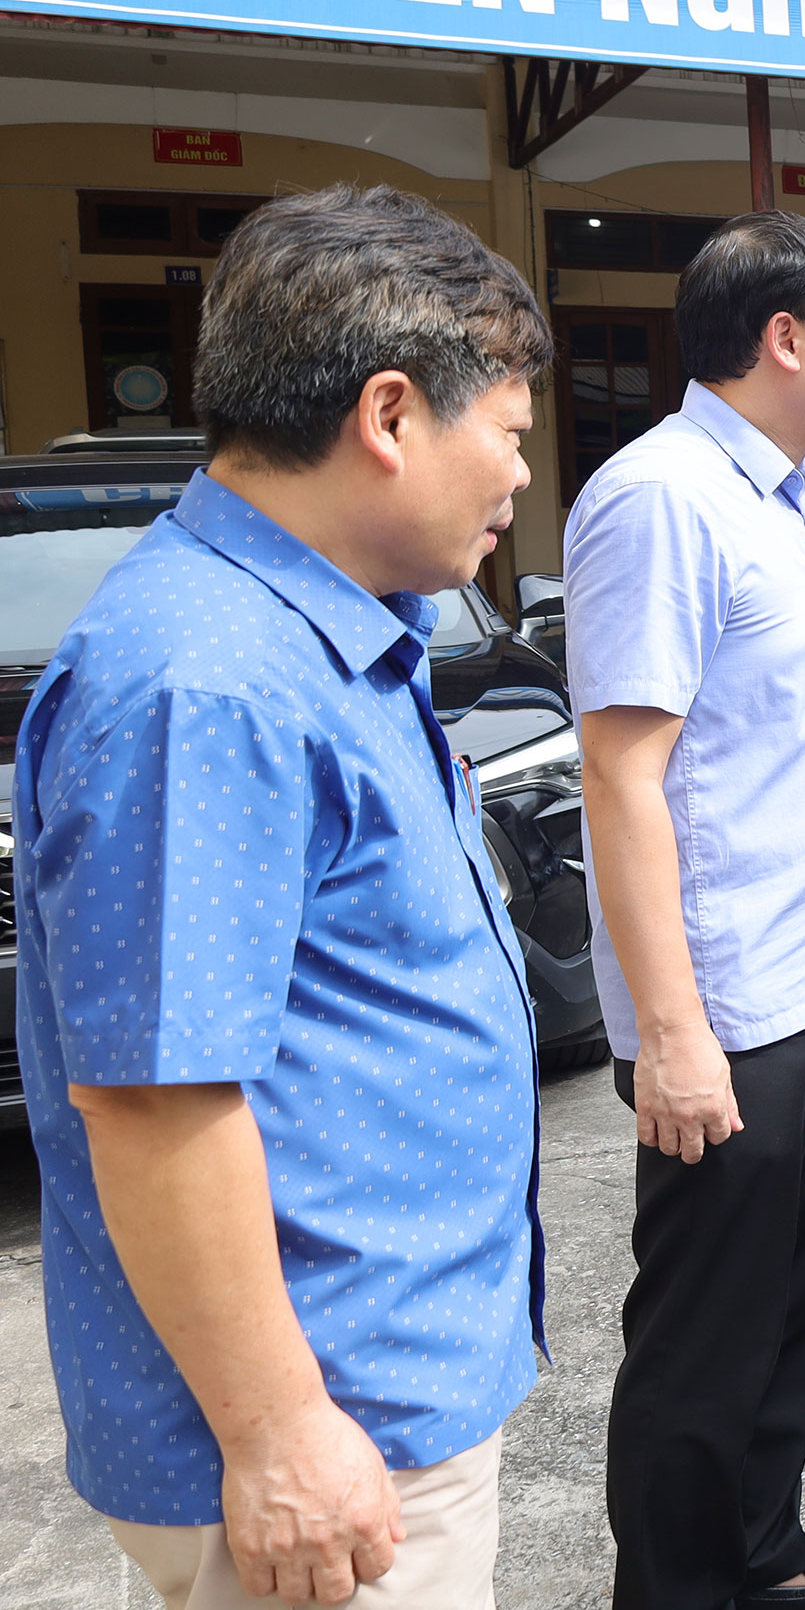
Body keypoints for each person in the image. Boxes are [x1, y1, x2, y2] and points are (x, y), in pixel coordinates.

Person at [13, 184, 550, 1608]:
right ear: (390, 415)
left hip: (378, 1380)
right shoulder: (205, 682)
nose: (518, 480)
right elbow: (157, 1101)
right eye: (508, 436)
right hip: (329, 1427)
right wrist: (279, 1432)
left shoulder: (319, 630)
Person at [565, 211, 805, 1610]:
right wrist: (671, 1033)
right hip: (730, 1010)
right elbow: (621, 773)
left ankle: (765, 1560)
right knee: (702, 1338)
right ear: (786, 338)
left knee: (788, 1305)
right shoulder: (663, 499)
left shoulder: (780, 490)